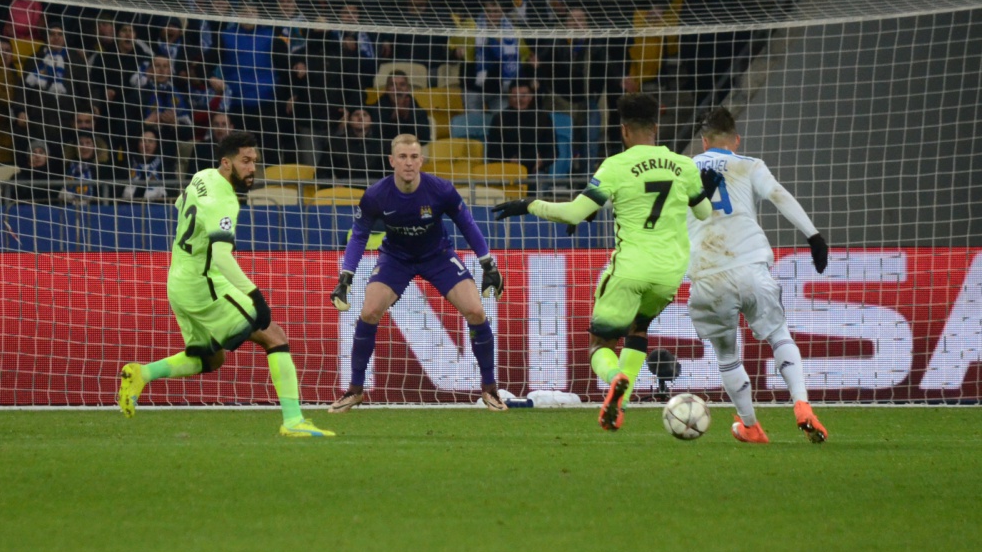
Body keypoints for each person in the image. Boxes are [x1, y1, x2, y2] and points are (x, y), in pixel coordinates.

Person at [493, 94, 720, 431]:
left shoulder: (616, 165)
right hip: (670, 272)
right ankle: (620, 405)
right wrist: (705, 191)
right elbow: (703, 213)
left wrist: (529, 204)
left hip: (631, 267)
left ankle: (615, 378)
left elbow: (575, 212)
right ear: (655, 127)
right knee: (638, 329)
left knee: (600, 345)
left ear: (624, 129)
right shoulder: (684, 165)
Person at [117, 131, 334, 438]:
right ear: (227, 162)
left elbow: (180, 205)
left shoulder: (202, 176)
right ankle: (293, 421)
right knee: (275, 337)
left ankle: (142, 373)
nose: (252, 168)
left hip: (178, 281)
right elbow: (221, 256)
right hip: (204, 284)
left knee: (211, 358)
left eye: (254, 161)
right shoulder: (224, 201)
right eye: (245, 161)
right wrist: (255, 296)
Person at [328, 133, 508, 413]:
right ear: (392, 161)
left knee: (476, 312)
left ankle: (490, 389)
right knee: (369, 312)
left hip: (438, 256)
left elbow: (467, 224)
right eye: (402, 157)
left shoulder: (441, 190)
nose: (408, 163)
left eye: (414, 157)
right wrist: (345, 277)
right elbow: (360, 234)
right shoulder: (376, 195)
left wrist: (488, 264)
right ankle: (354, 390)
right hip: (396, 258)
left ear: (421, 161)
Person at [687, 108, 829, 444]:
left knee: (726, 355)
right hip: (751, 264)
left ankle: (750, 425)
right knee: (779, 334)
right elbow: (779, 195)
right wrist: (813, 236)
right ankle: (801, 403)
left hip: (708, 273)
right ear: (736, 140)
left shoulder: (684, 169)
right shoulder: (749, 164)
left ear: (704, 141)